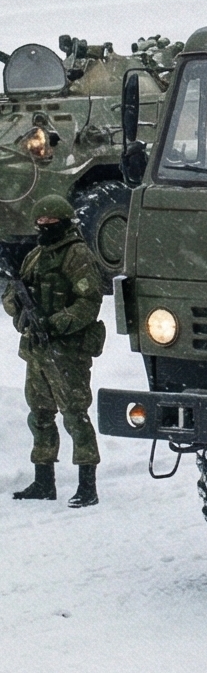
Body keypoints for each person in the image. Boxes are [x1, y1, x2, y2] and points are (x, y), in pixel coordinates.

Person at [6, 195, 105, 507]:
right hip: (37, 350)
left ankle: (87, 486)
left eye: (51, 222)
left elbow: (89, 302)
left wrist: (55, 323)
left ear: (64, 222)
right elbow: (12, 294)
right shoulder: (35, 256)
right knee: (40, 415)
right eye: (40, 223)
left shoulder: (77, 255)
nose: (45, 227)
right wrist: (19, 308)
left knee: (75, 415)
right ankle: (44, 480)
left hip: (68, 350)